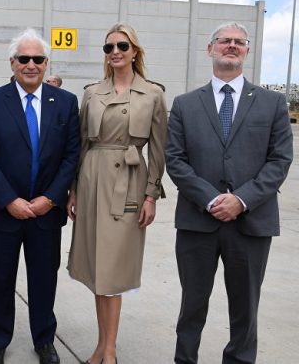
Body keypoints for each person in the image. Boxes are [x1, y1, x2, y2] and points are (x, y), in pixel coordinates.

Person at [166, 22, 293, 364]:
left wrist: (241, 200)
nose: (232, 46)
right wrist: (210, 199)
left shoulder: (272, 103)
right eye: (225, 41)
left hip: (251, 222)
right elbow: (175, 160)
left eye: (239, 42)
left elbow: (280, 160)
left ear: (247, 51)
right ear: (211, 49)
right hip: (197, 222)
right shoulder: (185, 104)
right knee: (192, 305)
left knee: (245, 307)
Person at [0, 28, 80, 364]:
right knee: (0, 281)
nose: (31, 64)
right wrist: (9, 200)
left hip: (46, 212)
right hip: (2, 212)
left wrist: (51, 198)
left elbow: (71, 155)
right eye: (24, 58)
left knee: (44, 280)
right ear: (12, 62)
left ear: (46, 63)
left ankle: (44, 339)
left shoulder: (66, 102)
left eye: (38, 59)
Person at [66, 23, 167, 364]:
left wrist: (151, 195)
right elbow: (81, 144)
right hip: (93, 182)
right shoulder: (92, 93)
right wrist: (74, 189)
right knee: (98, 269)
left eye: (122, 46)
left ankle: (109, 350)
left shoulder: (153, 94)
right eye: (108, 47)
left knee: (113, 269)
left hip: (129, 183)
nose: (115, 52)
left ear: (135, 51)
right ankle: (102, 346)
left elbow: (159, 150)